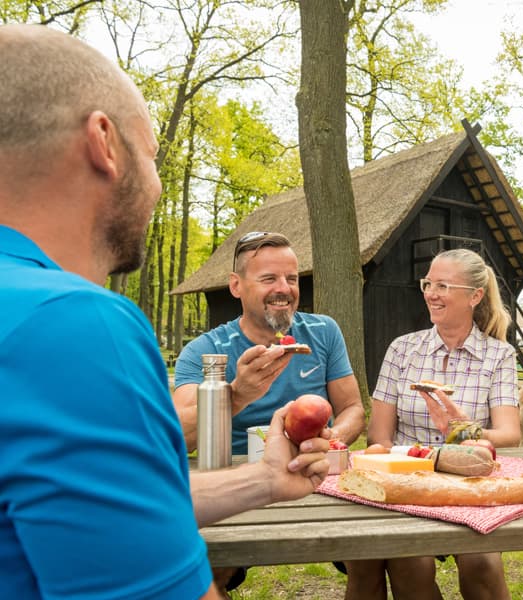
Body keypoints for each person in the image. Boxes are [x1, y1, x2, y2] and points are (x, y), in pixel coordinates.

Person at [0, 24, 331, 599]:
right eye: (151, 154)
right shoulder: (72, 322)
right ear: (104, 142)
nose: (154, 183)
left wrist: (265, 481)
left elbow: (87, 502)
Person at [344, 248, 521, 600]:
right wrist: (422, 458)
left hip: (467, 484)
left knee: (482, 564)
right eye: (428, 283)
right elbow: (378, 435)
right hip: (404, 481)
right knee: (412, 563)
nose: (430, 293)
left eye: (443, 285)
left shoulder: (499, 355)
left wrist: (461, 431)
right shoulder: (402, 349)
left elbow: (509, 434)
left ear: (475, 296)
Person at [172, 231, 365, 454]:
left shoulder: (324, 331)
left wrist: (329, 440)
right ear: (236, 286)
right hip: (240, 475)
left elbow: (353, 409)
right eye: (269, 279)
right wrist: (237, 396)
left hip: (311, 469)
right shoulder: (205, 351)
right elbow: (177, 437)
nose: (284, 288)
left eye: (292, 278)